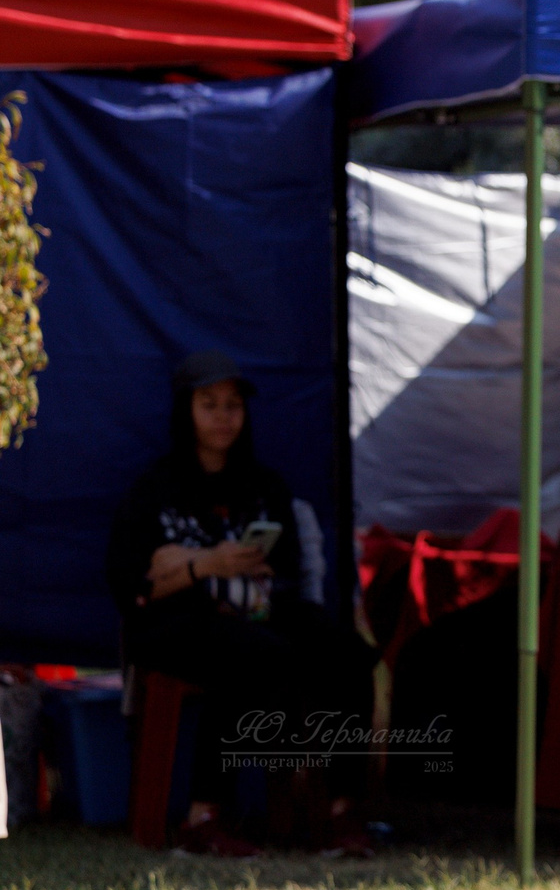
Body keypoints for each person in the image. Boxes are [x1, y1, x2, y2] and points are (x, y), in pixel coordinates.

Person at [106, 350, 371, 851]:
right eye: (209, 405)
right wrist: (206, 566)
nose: (223, 417)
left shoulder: (263, 485)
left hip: (259, 610)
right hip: (176, 624)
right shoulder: (155, 490)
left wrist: (244, 569)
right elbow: (133, 587)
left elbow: (290, 573)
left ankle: (338, 810)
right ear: (186, 411)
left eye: (232, 405)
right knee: (248, 652)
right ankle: (204, 816)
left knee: (345, 652)